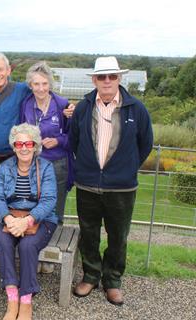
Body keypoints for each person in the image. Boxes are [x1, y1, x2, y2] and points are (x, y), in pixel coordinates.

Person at [70, 56, 153, 306]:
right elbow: (74, 141)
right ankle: (91, 275)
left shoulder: (136, 109)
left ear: (119, 78)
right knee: (89, 233)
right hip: (87, 185)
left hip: (122, 187)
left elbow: (145, 145)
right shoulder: (84, 108)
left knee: (118, 236)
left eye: (112, 76)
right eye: (101, 76)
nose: (107, 81)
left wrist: (124, 169)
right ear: (94, 80)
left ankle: (113, 281)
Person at [0, 123, 58, 320]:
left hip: (41, 218)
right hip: (11, 216)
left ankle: (26, 299)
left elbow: (49, 200)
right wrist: (8, 218)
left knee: (28, 245)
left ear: (35, 145)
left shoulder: (45, 167)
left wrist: (27, 221)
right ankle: (12, 297)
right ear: (13, 147)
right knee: (3, 242)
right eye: (19, 144)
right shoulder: (5, 167)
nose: (24, 148)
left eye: (28, 143)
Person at [20, 61, 72, 224]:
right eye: (36, 84)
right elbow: (20, 132)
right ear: (30, 85)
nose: (41, 88)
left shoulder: (63, 105)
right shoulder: (26, 105)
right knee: (33, 208)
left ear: (50, 84)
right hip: (32, 164)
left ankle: (56, 244)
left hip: (57, 164)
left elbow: (74, 137)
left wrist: (58, 140)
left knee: (55, 211)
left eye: (44, 83)